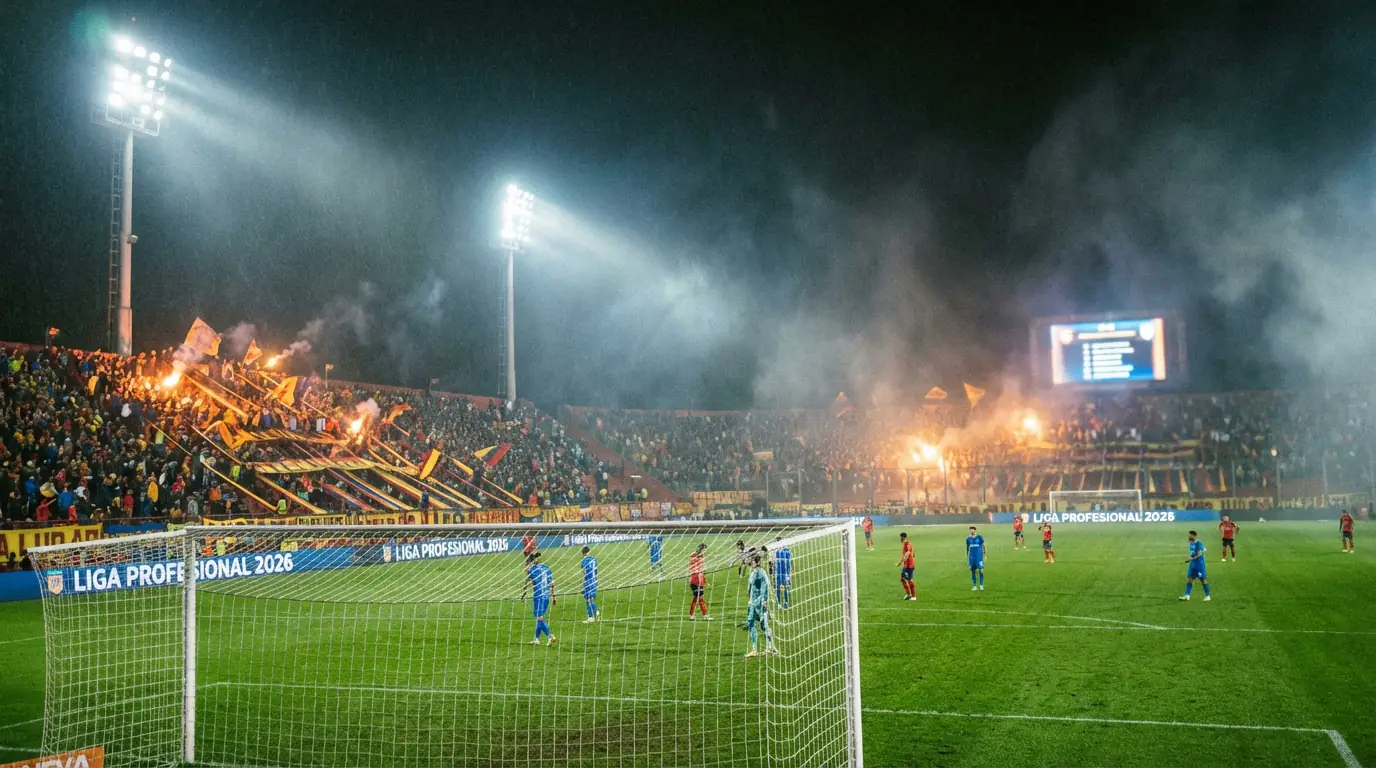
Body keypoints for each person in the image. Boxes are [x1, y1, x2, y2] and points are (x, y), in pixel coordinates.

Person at [744, 552, 777, 658]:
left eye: (752, 560)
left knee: (764, 625)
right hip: (752, 603)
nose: (750, 562)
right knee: (750, 623)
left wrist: (764, 600)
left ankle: (772, 647)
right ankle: (754, 649)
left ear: (756, 562)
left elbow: (765, 586)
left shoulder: (761, 572)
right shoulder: (754, 572)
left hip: (759, 603)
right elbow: (751, 587)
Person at [527, 552, 557, 645]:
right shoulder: (547, 568)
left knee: (540, 618)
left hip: (539, 596)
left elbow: (531, 581)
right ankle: (536, 639)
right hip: (546, 596)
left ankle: (550, 636)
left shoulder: (532, 569)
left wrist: (525, 588)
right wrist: (554, 597)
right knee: (539, 618)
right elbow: (552, 584)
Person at [1180, 530, 1212, 601]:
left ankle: (1208, 596)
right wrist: (1191, 558)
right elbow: (1194, 553)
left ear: (1194, 536)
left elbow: (1199, 554)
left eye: (1190, 535)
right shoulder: (1191, 543)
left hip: (1199, 565)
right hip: (1192, 565)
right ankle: (1187, 595)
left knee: (1203, 579)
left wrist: (1191, 558)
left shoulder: (1198, 543)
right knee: (1189, 579)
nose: (1188, 537)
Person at [688, 543, 711, 621]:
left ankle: (695, 615)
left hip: (699, 580)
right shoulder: (694, 557)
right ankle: (703, 615)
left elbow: (701, 571)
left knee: (697, 598)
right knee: (699, 598)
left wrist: (705, 580)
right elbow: (693, 568)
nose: (705, 552)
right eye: (704, 550)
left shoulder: (700, 558)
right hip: (695, 580)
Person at [580, 546, 599, 623]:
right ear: (589, 551)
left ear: (583, 553)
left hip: (588, 581)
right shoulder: (594, 559)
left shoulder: (584, 561)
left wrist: (582, 585)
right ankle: (595, 613)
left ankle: (591, 617)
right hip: (594, 580)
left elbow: (584, 572)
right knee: (592, 599)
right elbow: (596, 571)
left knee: (588, 600)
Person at [772, 536, 792, 609]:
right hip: (778, 572)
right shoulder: (776, 551)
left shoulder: (786, 550)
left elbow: (789, 562)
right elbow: (774, 563)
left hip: (784, 573)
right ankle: (779, 603)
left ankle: (786, 603)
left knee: (785, 587)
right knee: (778, 588)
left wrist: (789, 573)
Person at [897, 532, 916, 601]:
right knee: (902, 578)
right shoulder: (909, 544)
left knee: (909, 579)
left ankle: (913, 596)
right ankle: (909, 594)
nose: (900, 539)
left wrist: (903, 560)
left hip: (909, 566)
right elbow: (913, 554)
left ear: (903, 537)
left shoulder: (906, 544)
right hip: (907, 565)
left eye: (901, 537)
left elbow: (908, 553)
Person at [966, 526, 985, 591]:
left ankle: (981, 585)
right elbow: (967, 549)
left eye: (973, 530)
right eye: (971, 530)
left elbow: (983, 546)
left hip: (979, 557)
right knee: (973, 571)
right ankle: (974, 586)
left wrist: (985, 554)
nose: (972, 531)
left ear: (975, 530)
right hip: (972, 557)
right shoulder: (968, 539)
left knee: (981, 571)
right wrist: (968, 558)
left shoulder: (979, 537)